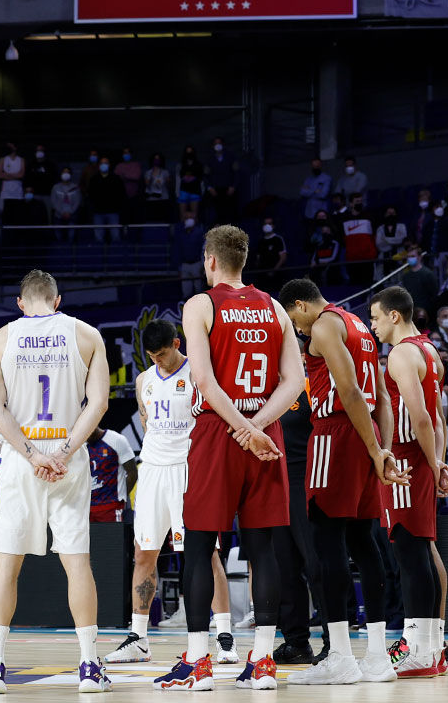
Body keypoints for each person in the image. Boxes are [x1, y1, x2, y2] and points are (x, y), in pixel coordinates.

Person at [152, 227, 303, 692]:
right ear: (244, 258)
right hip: (265, 431)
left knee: (198, 547)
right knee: (263, 550)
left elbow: (204, 379)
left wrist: (240, 428)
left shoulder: (201, 304)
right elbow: (294, 382)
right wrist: (257, 427)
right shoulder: (275, 307)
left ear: (210, 260)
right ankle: (262, 661)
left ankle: (198, 662)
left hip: (221, 430)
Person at [0, 270, 113, 694]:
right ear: (57, 300)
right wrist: (64, 452)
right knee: (77, 562)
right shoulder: (87, 334)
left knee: (6, 565)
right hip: (68, 454)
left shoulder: (0, 339)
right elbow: (100, 403)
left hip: (21, 458)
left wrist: (33, 455)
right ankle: (89, 666)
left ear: (20, 303)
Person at [280, 277, 403, 685]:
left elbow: (349, 390)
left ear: (300, 305)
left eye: (293, 318)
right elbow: (381, 397)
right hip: (365, 433)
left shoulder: (324, 325)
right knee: (363, 542)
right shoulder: (359, 325)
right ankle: (377, 657)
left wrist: (373, 449)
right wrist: (382, 449)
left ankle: (340, 657)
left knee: (325, 540)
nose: (297, 330)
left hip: (337, 433)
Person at [104, 321, 239, 667]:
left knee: (205, 553)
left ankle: (224, 636)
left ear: (177, 343)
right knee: (143, 553)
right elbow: (148, 424)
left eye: (163, 354)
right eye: (152, 356)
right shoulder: (143, 380)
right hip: (152, 471)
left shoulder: (198, 373)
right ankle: (139, 638)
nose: (158, 361)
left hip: (188, 469)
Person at [370, 285, 447, 678]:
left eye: (376, 317)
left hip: (404, 459)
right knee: (420, 552)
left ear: (394, 315)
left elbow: (419, 417)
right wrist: (439, 460)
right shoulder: (430, 351)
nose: (373, 325)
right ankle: (432, 650)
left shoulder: (401, 353)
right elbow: (440, 419)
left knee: (410, 556)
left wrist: (432, 465)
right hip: (422, 458)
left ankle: (418, 650)